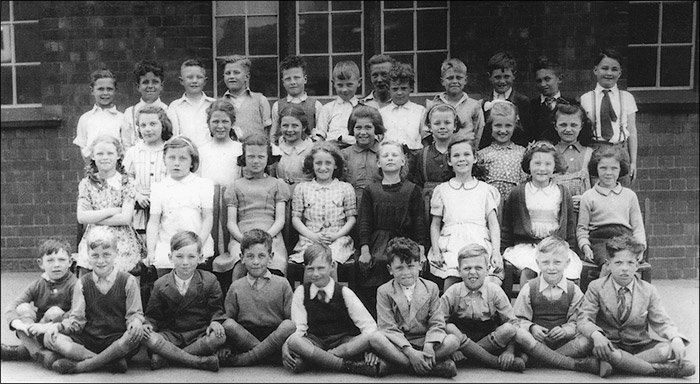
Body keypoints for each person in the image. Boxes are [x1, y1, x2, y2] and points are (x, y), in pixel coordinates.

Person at [577, 235, 695, 378]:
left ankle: (617, 365)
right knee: (594, 346)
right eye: (618, 263)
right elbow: (584, 319)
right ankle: (657, 370)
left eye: (630, 263)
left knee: (666, 349)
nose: (625, 269)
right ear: (608, 264)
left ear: (637, 265)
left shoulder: (648, 290)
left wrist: (675, 338)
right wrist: (596, 334)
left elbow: (662, 321)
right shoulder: (596, 287)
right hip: (610, 344)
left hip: (639, 345)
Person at [46, 227, 145, 374]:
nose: (101, 261)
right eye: (95, 255)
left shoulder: (128, 281)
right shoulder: (83, 284)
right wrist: (58, 327)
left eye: (106, 255)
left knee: (134, 335)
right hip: (90, 340)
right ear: (88, 256)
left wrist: (136, 321)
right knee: (56, 339)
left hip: (118, 340)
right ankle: (107, 362)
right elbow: (77, 322)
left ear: (116, 254)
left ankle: (82, 366)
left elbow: (134, 314)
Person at [284, 243, 386, 377]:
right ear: (305, 268)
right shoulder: (301, 292)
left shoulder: (344, 292)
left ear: (332, 266)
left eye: (321, 268)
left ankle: (321, 360)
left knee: (370, 338)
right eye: (310, 269)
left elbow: (368, 325)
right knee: (294, 342)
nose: (315, 274)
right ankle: (348, 366)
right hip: (316, 341)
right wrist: (287, 345)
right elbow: (299, 328)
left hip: (344, 343)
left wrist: (370, 349)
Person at [512, 236, 607, 377]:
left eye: (557, 262)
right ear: (538, 263)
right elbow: (518, 319)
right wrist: (532, 327)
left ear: (567, 263)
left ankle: (535, 360)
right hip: (537, 341)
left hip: (564, 344)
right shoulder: (529, 288)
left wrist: (566, 330)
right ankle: (573, 364)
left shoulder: (573, 290)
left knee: (587, 340)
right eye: (545, 262)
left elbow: (579, 321)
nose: (551, 268)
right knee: (520, 335)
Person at [372, 237, 460, 377]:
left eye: (411, 266)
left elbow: (437, 322)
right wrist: (410, 352)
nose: (406, 272)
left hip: (424, 340)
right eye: (399, 268)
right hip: (399, 344)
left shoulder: (431, 288)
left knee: (453, 341)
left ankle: (397, 366)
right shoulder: (384, 291)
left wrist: (429, 345)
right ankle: (430, 366)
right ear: (390, 269)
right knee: (376, 338)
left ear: (420, 265)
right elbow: (387, 327)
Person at [357, 140, 425, 318]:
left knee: (403, 265)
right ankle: (376, 318)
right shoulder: (371, 190)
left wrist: (421, 250)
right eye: (385, 155)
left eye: (395, 155)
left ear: (403, 161)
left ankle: (405, 316)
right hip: (378, 241)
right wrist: (365, 249)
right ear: (378, 162)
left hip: (405, 240)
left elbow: (419, 223)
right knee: (378, 261)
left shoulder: (412, 190)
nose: (390, 159)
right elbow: (364, 222)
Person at [501, 140, 582, 289]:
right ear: (528, 165)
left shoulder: (562, 192)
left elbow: (569, 227)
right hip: (527, 246)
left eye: (547, 164)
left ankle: (562, 307)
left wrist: (569, 249)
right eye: (537, 164)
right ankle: (526, 306)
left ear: (554, 166)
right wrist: (502, 250)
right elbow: (507, 227)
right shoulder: (518, 192)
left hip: (555, 246)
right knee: (531, 268)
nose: (542, 169)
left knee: (569, 271)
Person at [142, 231, 223, 371]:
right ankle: (198, 361)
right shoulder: (161, 284)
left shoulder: (209, 281)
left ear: (200, 257)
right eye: (179, 256)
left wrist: (215, 322)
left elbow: (217, 310)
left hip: (199, 334)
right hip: (171, 335)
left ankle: (168, 358)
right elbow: (152, 316)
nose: (185, 262)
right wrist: (148, 326)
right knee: (146, 337)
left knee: (219, 337)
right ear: (170, 257)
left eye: (191, 257)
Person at [429, 136, 502, 291]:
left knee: (485, 281)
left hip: (478, 240)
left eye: (466, 154)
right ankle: (450, 314)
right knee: (453, 278)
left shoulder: (485, 190)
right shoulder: (442, 190)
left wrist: (496, 253)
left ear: (475, 158)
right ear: (449, 161)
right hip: (451, 242)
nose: (462, 159)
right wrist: (436, 251)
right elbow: (435, 225)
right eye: (456, 155)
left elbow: (493, 224)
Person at [440, 244, 526, 372]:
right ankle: (493, 362)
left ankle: (469, 358)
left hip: (489, 339)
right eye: (467, 268)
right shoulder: (453, 292)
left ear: (487, 269)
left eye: (478, 268)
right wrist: (453, 350)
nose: (472, 272)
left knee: (508, 329)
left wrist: (509, 351)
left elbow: (513, 323)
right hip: (461, 338)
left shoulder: (494, 291)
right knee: (449, 327)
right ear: (459, 270)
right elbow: (438, 321)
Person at [219, 229, 296, 367]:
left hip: (274, 336)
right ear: (241, 257)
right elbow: (228, 319)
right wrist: (227, 344)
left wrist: (285, 344)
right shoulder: (236, 286)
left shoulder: (282, 284)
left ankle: (246, 359)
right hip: (246, 337)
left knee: (288, 326)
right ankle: (270, 357)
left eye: (261, 256)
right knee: (228, 325)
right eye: (250, 256)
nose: (256, 262)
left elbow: (290, 319)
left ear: (271, 257)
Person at [1, 238, 78, 369]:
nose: (56, 265)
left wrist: (49, 326)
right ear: (40, 263)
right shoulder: (38, 284)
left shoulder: (74, 284)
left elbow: (77, 313)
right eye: (50, 260)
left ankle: (24, 350)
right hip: (38, 328)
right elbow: (13, 306)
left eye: (61, 260)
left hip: (59, 330)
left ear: (70, 262)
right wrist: (17, 323)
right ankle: (41, 354)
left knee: (54, 312)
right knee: (22, 308)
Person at [76, 135, 145, 276]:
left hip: (122, 239)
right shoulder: (86, 184)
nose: (104, 157)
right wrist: (113, 210)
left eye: (110, 153)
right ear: (93, 156)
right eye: (100, 153)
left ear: (118, 155)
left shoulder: (127, 182)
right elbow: (82, 217)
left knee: (124, 284)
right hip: (93, 237)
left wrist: (94, 217)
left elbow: (125, 218)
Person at [146, 136, 215, 277]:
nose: (176, 163)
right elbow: (153, 222)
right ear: (164, 159)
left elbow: (208, 218)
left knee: (197, 284)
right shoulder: (159, 187)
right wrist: (151, 250)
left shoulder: (203, 185)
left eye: (182, 158)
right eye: (171, 158)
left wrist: (198, 245)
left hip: (197, 244)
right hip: (168, 245)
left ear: (192, 162)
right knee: (166, 283)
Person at [225, 132, 290, 280]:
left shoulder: (277, 184)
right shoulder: (235, 186)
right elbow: (231, 222)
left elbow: (280, 220)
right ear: (244, 157)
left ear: (268, 158)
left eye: (261, 157)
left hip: (271, 236)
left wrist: (266, 238)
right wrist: (243, 240)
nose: (256, 161)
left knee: (276, 262)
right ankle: (237, 298)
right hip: (241, 236)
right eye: (251, 156)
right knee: (241, 261)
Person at [289, 141, 356, 280]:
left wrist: (336, 236)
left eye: (328, 163)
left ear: (335, 165)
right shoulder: (302, 188)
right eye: (318, 163)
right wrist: (312, 236)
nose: (323, 168)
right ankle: (308, 300)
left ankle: (331, 300)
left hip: (337, 239)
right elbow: (295, 218)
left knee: (330, 262)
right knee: (311, 261)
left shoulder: (345, 188)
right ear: (312, 165)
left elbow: (351, 218)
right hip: (310, 238)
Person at [198, 100, 243, 291]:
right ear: (208, 123)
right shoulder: (202, 150)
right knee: (211, 245)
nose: (220, 126)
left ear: (232, 122)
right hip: (209, 204)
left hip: (232, 204)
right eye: (215, 121)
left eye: (225, 121)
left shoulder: (239, 149)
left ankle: (229, 288)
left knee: (231, 247)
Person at [577, 145, 645, 269]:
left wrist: (640, 248)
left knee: (626, 266)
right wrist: (585, 247)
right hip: (599, 242)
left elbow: (638, 228)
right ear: (596, 168)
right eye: (603, 168)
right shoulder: (588, 196)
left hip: (625, 240)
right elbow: (582, 229)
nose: (608, 173)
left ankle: (626, 288)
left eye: (614, 168)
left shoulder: (629, 195)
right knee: (608, 266)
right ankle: (602, 288)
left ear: (620, 169)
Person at [579, 48, 638, 186]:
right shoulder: (586, 98)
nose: (609, 73)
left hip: (620, 150)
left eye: (614, 69)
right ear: (595, 70)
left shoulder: (627, 97)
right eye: (604, 68)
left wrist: (633, 162)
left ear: (620, 72)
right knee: (598, 196)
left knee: (621, 196)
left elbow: (633, 131)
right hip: (596, 151)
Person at [408, 103, 463, 226]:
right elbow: (417, 184)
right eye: (437, 123)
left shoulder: (461, 153)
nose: (442, 127)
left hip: (456, 204)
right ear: (429, 126)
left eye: (447, 123)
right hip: (428, 206)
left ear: (455, 126)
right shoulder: (422, 155)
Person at [123, 106, 173, 236]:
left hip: (166, 208)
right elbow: (125, 179)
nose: (148, 129)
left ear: (163, 125)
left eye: (153, 124)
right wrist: (137, 195)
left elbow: (174, 178)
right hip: (139, 208)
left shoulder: (171, 150)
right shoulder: (133, 152)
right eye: (143, 125)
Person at [476, 100, 528, 204]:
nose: (503, 130)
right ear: (490, 126)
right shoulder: (482, 155)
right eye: (498, 125)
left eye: (508, 125)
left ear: (514, 126)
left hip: (517, 204)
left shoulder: (523, 153)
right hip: (491, 205)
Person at [73, 69, 130, 162]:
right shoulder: (85, 118)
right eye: (100, 89)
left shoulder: (122, 118)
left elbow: (127, 147)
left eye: (109, 89)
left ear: (115, 91)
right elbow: (83, 148)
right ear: (92, 90)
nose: (105, 93)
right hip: (93, 169)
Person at [424, 58, 484, 145]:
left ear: (465, 80)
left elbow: (478, 133)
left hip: (464, 153)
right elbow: (425, 133)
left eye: (459, 78)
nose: (455, 81)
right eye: (450, 78)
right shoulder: (433, 104)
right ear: (442, 81)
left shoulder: (474, 106)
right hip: (439, 153)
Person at [479, 52, 529, 149]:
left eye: (506, 76)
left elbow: (527, 133)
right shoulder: (484, 104)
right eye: (497, 77)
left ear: (514, 75)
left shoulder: (522, 102)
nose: (502, 81)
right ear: (489, 76)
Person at [269, 55, 323, 144]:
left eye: (296, 78)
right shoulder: (278, 106)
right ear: (283, 82)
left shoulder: (316, 105)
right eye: (288, 79)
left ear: (305, 79)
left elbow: (320, 134)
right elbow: (273, 135)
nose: (293, 82)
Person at [340, 105, 384, 210]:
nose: (363, 132)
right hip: (351, 206)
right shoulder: (344, 154)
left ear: (376, 129)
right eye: (358, 128)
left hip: (379, 204)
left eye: (368, 127)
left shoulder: (384, 153)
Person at [551, 104, 594, 208]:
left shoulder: (590, 153)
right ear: (555, 126)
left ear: (581, 126)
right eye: (563, 125)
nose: (568, 130)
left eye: (574, 125)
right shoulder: (550, 153)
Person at [166, 59, 216, 149]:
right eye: (190, 77)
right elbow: (173, 136)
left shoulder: (213, 104)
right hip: (185, 155)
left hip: (210, 154)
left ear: (205, 81)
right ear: (181, 81)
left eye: (199, 77)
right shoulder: (175, 107)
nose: (194, 81)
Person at [220, 55, 272, 139]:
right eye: (228, 73)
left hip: (255, 150)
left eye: (236, 72)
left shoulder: (260, 100)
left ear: (246, 77)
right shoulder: (219, 103)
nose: (231, 76)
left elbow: (267, 132)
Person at [379, 62, 425, 158]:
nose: (399, 93)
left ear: (411, 88)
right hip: (389, 156)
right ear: (389, 89)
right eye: (395, 89)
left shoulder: (420, 111)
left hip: (414, 156)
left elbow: (425, 138)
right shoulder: (381, 113)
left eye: (403, 88)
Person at [312, 60, 361, 146]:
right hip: (331, 149)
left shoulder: (363, 108)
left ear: (359, 82)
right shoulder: (327, 108)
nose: (344, 90)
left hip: (355, 149)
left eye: (349, 85)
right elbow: (320, 134)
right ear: (333, 84)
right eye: (340, 85)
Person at [123, 60, 169, 146]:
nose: (150, 86)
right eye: (145, 82)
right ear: (138, 87)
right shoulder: (130, 113)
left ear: (161, 86)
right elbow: (126, 143)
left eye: (155, 82)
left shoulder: (168, 111)